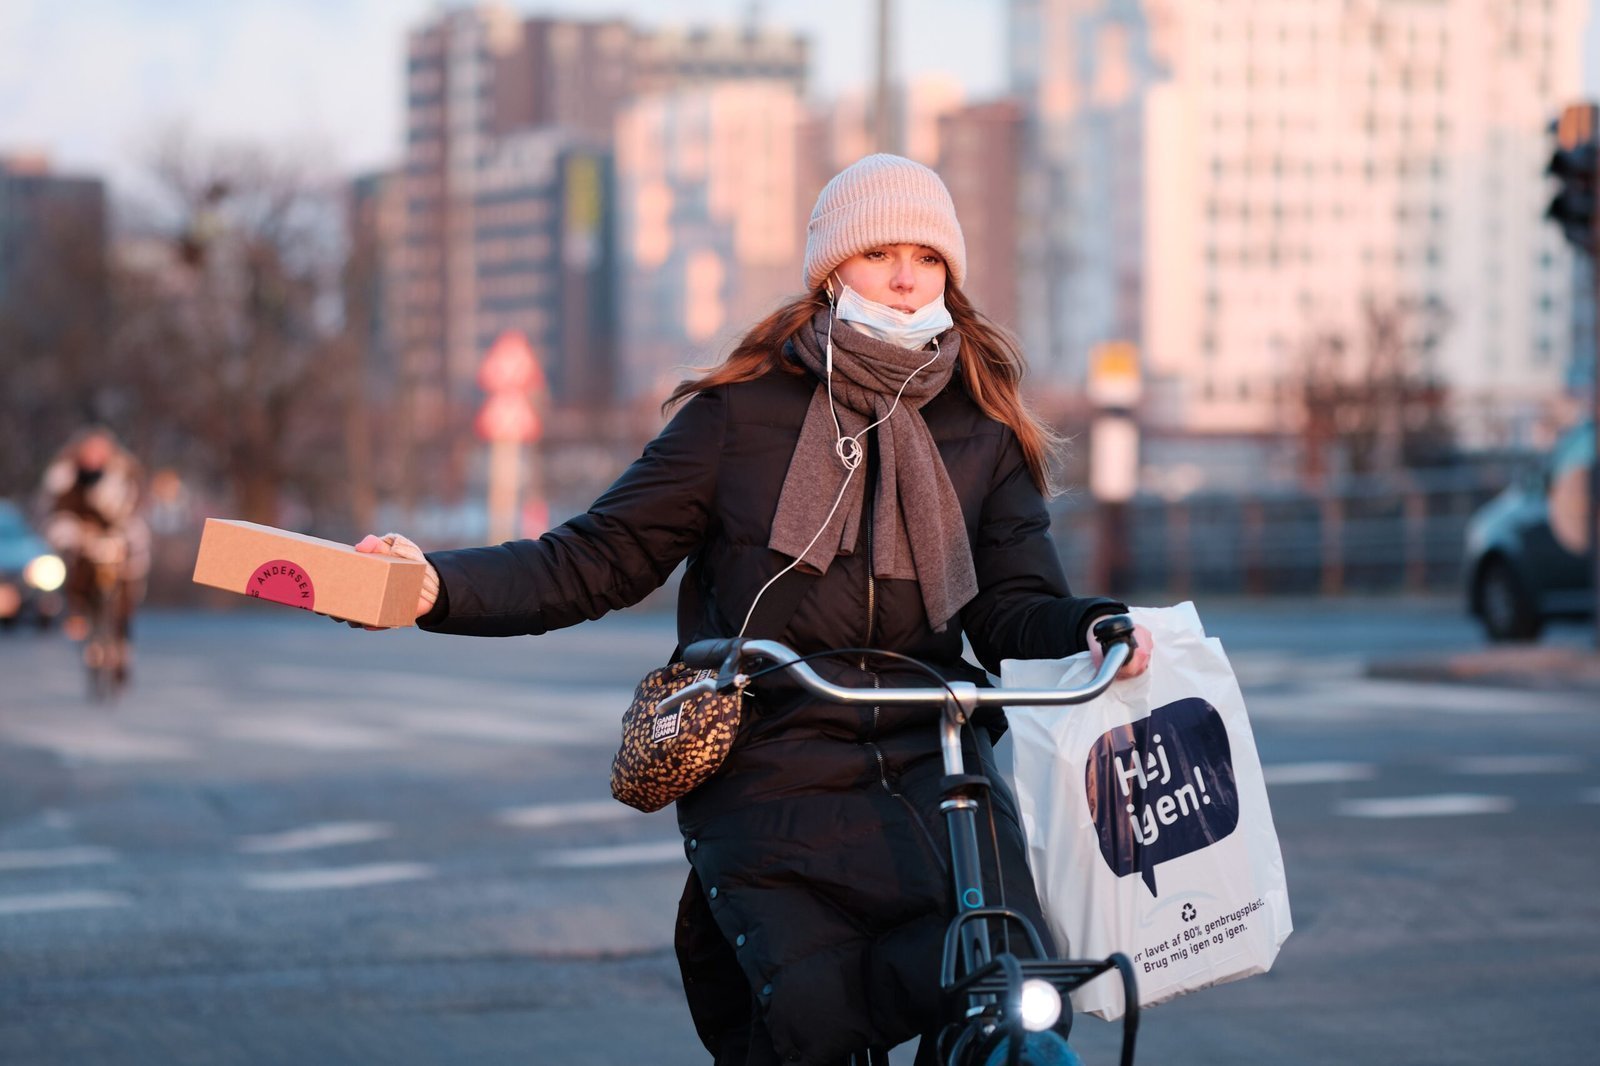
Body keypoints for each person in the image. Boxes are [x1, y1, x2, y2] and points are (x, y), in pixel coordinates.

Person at [354, 154, 1152, 1065]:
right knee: (809, 1018)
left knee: (1006, 982)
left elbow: (1015, 606)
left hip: (937, 761)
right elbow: (596, 558)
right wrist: (437, 587)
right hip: (771, 757)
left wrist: (1093, 626)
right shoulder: (736, 417)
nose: (903, 275)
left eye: (926, 258)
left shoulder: (981, 428)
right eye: (879, 252)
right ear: (830, 273)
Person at [37, 426, 151, 682]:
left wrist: (125, 537)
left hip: (118, 538)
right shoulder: (66, 477)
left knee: (126, 577)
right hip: (80, 538)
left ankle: (122, 639)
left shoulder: (123, 477)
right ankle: (77, 612)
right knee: (73, 566)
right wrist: (70, 533)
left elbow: (132, 513)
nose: (94, 457)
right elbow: (57, 511)